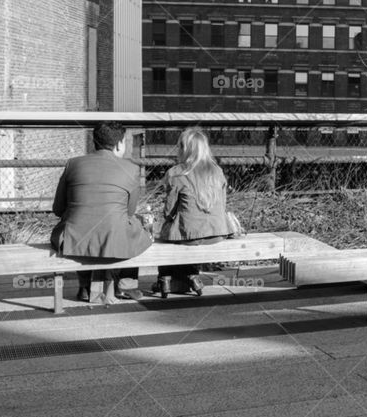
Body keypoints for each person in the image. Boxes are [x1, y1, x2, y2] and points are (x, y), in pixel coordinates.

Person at [51, 122, 153, 304]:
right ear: (120, 144)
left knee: (82, 228)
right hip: (114, 240)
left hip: (73, 241)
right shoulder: (131, 169)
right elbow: (129, 212)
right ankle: (124, 286)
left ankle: (85, 286)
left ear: (94, 142)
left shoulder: (73, 164)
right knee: (133, 228)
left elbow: (58, 209)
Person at [152, 127, 235, 298]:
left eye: (180, 147)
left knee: (169, 231)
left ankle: (165, 278)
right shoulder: (217, 171)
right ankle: (192, 275)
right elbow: (223, 205)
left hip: (191, 236)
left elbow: (168, 212)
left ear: (185, 149)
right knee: (189, 232)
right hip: (217, 233)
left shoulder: (176, 173)